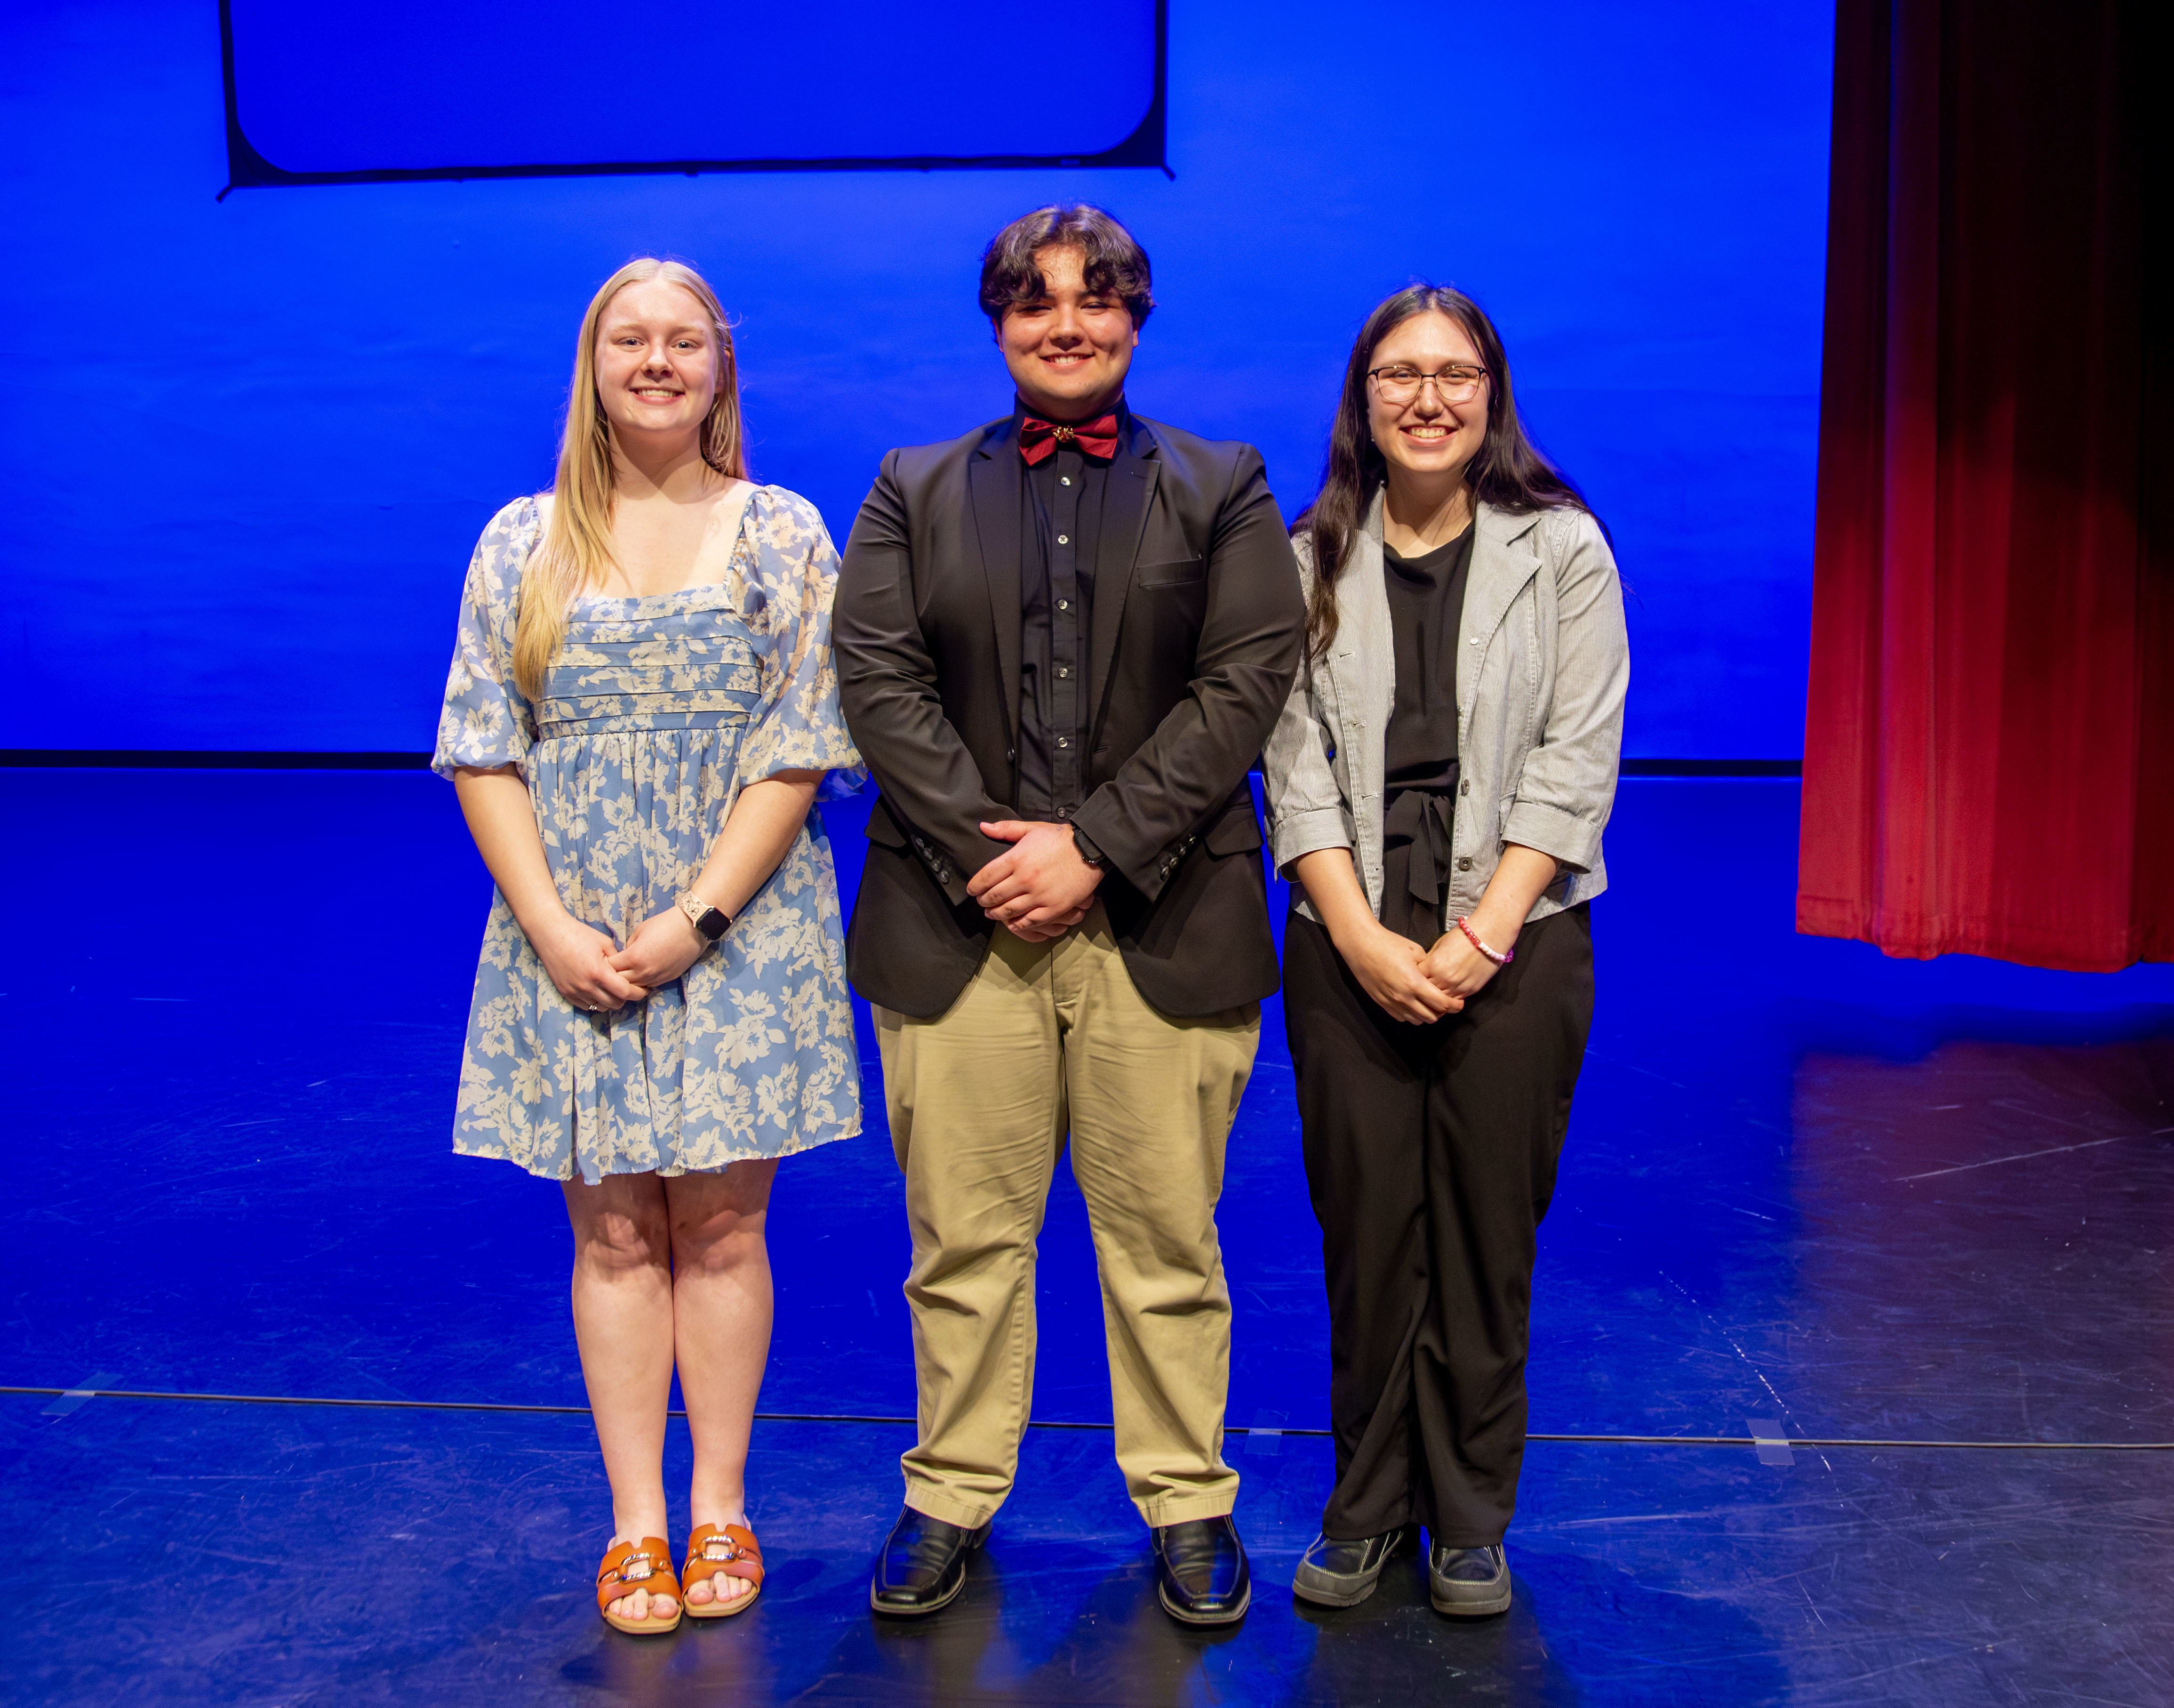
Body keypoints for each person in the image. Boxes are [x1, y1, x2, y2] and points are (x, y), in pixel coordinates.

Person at [833, 205, 1304, 1626]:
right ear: (997, 324)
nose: (1065, 324)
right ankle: (949, 1490)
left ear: (1134, 318)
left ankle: (1185, 1500)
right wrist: (1007, 857)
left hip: (1162, 925)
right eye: (1034, 303)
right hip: (959, 921)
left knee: (1166, 1238)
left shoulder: (1224, 484)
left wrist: (1090, 848)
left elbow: (1243, 685)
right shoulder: (910, 488)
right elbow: (879, 681)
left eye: (1094, 301)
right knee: (962, 1241)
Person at [432, 258, 864, 1636]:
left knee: (724, 1227)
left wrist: (695, 922)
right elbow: (484, 748)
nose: (659, 361)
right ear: (593, 363)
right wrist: (556, 927)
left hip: (736, 931)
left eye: (686, 341)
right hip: (572, 938)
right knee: (615, 1234)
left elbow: (801, 743)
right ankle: (635, 1527)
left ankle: (723, 1505)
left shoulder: (783, 532)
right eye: (632, 340)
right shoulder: (519, 543)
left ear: (721, 367)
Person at [1261, 285, 1627, 1617]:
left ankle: (1469, 1517)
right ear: (1361, 400)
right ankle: (1364, 1507)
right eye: (1398, 375)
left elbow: (1575, 757)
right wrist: (1356, 934)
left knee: (1483, 1235)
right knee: (1364, 1234)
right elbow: (1289, 766)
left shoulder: (1562, 548)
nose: (1427, 398)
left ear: (1492, 392)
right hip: (1344, 930)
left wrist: (1479, 934)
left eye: (1453, 374)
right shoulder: (1305, 555)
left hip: (1516, 933)